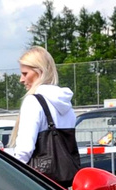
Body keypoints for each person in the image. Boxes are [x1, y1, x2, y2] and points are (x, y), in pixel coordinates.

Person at [7, 46, 77, 179]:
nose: (21, 79)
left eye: (25, 73)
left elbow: (25, 149)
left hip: (36, 183)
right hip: (64, 181)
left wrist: (12, 176)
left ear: (39, 72)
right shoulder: (66, 104)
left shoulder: (33, 102)